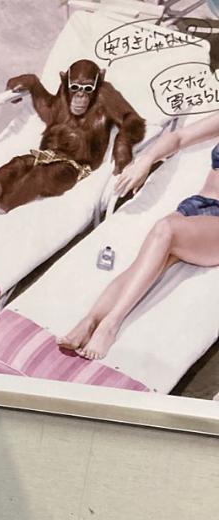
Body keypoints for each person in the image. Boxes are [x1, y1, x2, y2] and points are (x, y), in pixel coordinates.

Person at [59, 111, 219, 360]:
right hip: (198, 205)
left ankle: (110, 323)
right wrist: (146, 159)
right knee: (148, 262)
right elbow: (179, 137)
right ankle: (90, 320)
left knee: (165, 229)